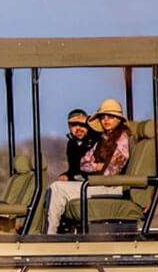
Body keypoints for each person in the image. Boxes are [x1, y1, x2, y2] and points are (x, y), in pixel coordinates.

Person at [44, 99, 133, 234]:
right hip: (98, 183)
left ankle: (49, 236)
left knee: (58, 188)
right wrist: (97, 166)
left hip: (111, 186)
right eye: (103, 117)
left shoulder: (121, 139)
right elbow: (83, 164)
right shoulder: (104, 139)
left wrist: (95, 166)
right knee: (54, 187)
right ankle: (53, 232)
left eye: (111, 116)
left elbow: (110, 172)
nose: (106, 120)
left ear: (119, 119)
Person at [58, 108, 98, 182]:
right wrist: (66, 175)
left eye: (82, 124)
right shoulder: (71, 144)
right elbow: (73, 170)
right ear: (69, 127)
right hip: (80, 181)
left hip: (96, 180)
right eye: (74, 125)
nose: (78, 128)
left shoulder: (96, 138)